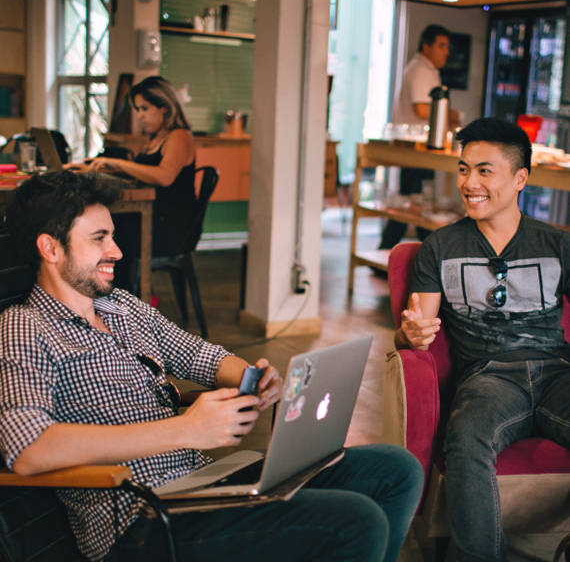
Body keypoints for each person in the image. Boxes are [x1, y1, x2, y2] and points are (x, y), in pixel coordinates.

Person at [0, 170, 424, 562]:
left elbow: (201, 355)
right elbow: (28, 449)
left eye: (112, 236)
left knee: (395, 469)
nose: (117, 250)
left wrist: (253, 378)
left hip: (201, 484)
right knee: (356, 522)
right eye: (99, 238)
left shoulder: (122, 307)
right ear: (50, 248)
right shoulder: (25, 326)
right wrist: (185, 429)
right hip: (139, 520)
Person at [396, 117, 570, 562]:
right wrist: (409, 334)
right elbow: (417, 329)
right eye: (463, 169)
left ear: (520, 179)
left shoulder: (557, 244)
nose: (469, 183)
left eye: (484, 171)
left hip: (558, 372)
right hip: (488, 377)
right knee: (466, 438)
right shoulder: (440, 247)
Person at [72, 76, 199, 290]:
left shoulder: (179, 136)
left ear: (164, 107)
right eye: (138, 109)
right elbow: (141, 174)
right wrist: (92, 168)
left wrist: (117, 163)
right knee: (103, 229)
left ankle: (118, 299)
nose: (140, 115)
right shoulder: (156, 138)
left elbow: (164, 176)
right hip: (153, 217)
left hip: (171, 227)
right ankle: (110, 296)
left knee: (109, 236)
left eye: (144, 108)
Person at [379, 25, 457, 252]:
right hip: (416, 149)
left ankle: (423, 253)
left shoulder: (426, 70)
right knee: (413, 205)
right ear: (426, 46)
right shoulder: (420, 70)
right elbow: (423, 109)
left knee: (417, 204)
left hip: (421, 149)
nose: (446, 51)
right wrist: (451, 114)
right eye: (441, 45)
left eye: (447, 47)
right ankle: (393, 253)